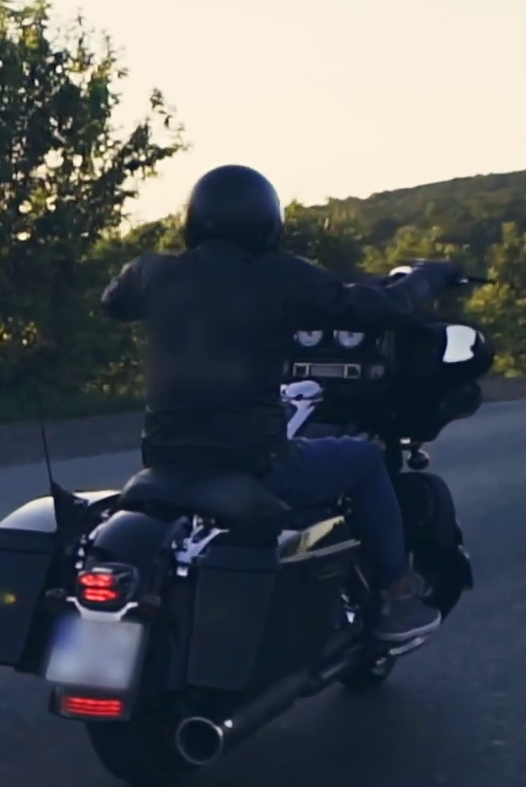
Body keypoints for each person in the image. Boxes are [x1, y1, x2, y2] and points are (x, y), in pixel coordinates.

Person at [100, 164, 465, 643]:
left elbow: (113, 301)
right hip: (253, 461)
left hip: (165, 457)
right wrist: (426, 277)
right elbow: (383, 308)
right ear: (267, 222)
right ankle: (397, 593)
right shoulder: (279, 275)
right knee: (364, 458)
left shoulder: (154, 273)